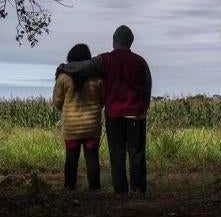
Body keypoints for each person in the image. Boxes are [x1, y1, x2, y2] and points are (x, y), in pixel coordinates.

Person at [55, 25, 152, 195]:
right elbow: (147, 88)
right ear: (130, 42)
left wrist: (64, 67)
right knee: (137, 154)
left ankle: (120, 191)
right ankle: (138, 190)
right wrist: (143, 108)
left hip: (114, 115)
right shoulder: (141, 61)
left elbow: (82, 67)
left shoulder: (105, 59)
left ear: (114, 42)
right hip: (136, 115)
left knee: (117, 154)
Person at [52, 43, 104, 191]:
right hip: (91, 126)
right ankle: (94, 188)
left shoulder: (63, 77)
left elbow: (57, 101)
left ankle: (69, 188)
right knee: (92, 158)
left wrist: (68, 110)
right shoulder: (96, 77)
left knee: (71, 159)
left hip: (71, 127)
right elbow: (102, 99)